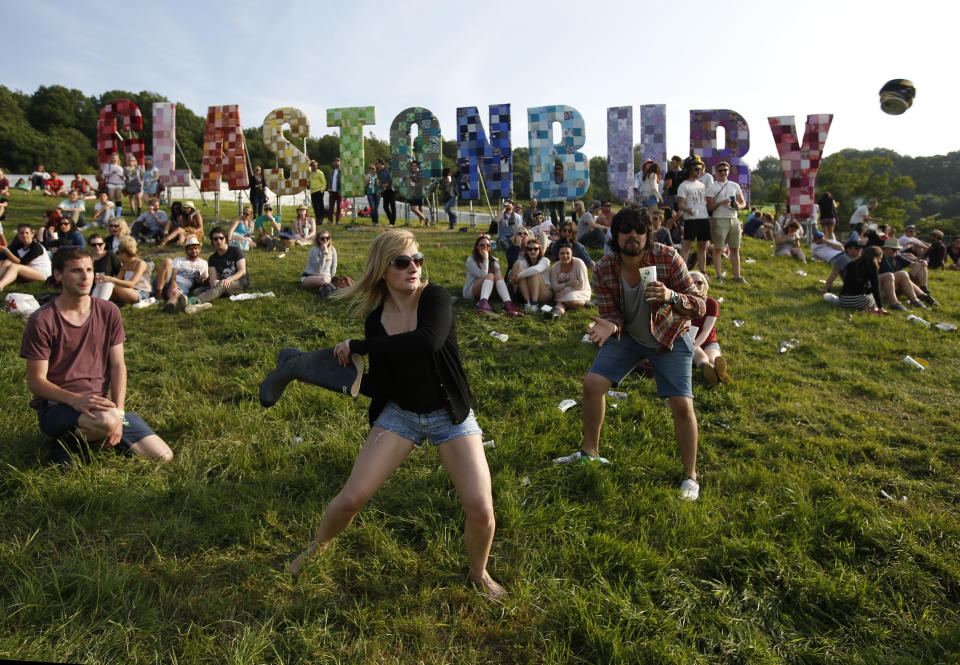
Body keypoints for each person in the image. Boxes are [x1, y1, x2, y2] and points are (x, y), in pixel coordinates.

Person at [280, 230, 505, 598]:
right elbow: (383, 386)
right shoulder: (376, 321)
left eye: (418, 260)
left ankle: (479, 573)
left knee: (481, 509)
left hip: (450, 414)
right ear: (383, 269)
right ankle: (318, 545)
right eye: (403, 262)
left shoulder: (434, 298)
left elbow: (426, 341)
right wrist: (333, 379)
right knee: (352, 498)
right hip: (400, 414)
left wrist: (360, 347)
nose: (413, 268)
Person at [561, 206, 705, 503]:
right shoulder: (603, 268)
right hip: (629, 336)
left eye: (639, 230)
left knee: (681, 404)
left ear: (647, 234)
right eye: (626, 230)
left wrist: (670, 296)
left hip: (669, 335)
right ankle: (590, 453)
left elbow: (699, 306)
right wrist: (608, 326)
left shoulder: (667, 257)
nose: (633, 236)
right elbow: (612, 314)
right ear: (616, 235)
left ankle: (690, 475)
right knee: (592, 384)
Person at [20, 247, 173, 462]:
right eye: (76, 271)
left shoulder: (109, 311)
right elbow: (36, 382)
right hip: (57, 407)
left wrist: (119, 413)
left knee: (163, 456)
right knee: (108, 423)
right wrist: (76, 401)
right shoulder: (42, 320)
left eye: (89, 270)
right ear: (58, 275)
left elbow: (118, 365)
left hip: (103, 407)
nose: (85, 277)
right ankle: (73, 441)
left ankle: (90, 438)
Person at [706, 161, 747, 283]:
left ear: (728, 171)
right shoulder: (712, 187)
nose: (723, 172)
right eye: (720, 170)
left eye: (725, 170)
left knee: (735, 248)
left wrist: (738, 205)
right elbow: (710, 207)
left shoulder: (735, 185)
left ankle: (737, 276)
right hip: (719, 219)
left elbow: (743, 202)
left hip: (733, 218)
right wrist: (721, 203)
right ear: (716, 172)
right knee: (718, 249)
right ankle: (719, 276)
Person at [464, 234, 523, 317]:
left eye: (488, 245)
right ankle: (483, 304)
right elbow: (482, 275)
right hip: (472, 291)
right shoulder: (471, 260)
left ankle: (508, 303)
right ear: (477, 247)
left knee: (498, 276)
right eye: (482, 245)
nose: (485, 247)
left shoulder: (494, 260)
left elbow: (498, 278)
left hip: (490, 290)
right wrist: (485, 259)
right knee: (490, 275)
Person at [686, 271, 729, 386]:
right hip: (691, 340)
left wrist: (695, 345)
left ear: (705, 285)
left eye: (699, 282)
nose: (696, 285)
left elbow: (707, 330)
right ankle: (711, 372)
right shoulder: (684, 303)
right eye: (692, 282)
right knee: (702, 357)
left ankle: (717, 372)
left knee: (713, 357)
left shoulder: (711, 303)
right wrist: (694, 346)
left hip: (709, 341)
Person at [672, 156, 710, 273]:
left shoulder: (702, 185)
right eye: (696, 169)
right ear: (689, 170)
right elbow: (680, 204)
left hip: (703, 218)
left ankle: (703, 271)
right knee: (687, 246)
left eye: (700, 169)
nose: (699, 171)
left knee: (703, 246)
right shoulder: (684, 185)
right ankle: (682, 272)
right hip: (691, 219)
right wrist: (688, 209)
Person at [192, 226, 248, 305]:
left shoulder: (236, 251)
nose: (218, 241)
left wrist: (229, 279)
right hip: (222, 282)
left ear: (225, 239)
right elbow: (213, 278)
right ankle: (215, 294)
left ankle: (196, 301)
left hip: (239, 282)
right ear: (212, 242)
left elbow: (242, 271)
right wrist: (213, 284)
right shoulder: (212, 258)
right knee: (197, 291)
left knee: (222, 285)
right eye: (215, 239)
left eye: (221, 238)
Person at [154, 236, 209, 312]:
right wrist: (173, 283)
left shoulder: (203, 263)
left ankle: (169, 305)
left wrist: (200, 280)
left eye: (196, 248)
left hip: (183, 287)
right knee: (167, 261)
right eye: (190, 249)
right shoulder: (179, 260)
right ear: (186, 250)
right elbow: (173, 273)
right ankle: (159, 294)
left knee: (177, 292)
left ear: (199, 249)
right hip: (167, 281)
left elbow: (205, 278)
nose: (194, 251)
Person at [878, 237, 935, 309]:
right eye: (893, 249)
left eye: (897, 249)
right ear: (885, 248)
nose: (895, 251)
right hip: (883, 287)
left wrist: (922, 262)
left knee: (920, 266)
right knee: (902, 274)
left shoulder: (896, 256)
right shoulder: (878, 258)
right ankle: (920, 298)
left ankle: (922, 293)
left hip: (897, 284)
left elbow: (912, 264)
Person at [97, 236, 152, 304]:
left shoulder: (140, 264)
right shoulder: (125, 265)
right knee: (105, 283)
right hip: (128, 291)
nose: (118, 255)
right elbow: (117, 280)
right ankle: (96, 302)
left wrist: (110, 279)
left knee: (110, 283)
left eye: (118, 253)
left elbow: (131, 284)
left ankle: (99, 304)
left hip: (141, 292)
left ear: (124, 253)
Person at [0, 224, 53, 290]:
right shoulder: (19, 246)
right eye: (21, 233)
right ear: (18, 235)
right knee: (6, 262)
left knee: (14, 266)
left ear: (32, 234)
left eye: (27, 233)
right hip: (27, 269)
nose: (24, 235)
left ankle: (1, 286)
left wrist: (6, 250)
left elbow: (22, 263)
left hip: (41, 272)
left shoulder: (36, 247)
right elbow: (6, 258)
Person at [547, 240, 591, 319]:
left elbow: (581, 285)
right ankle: (555, 314)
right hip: (562, 292)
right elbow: (554, 287)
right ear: (558, 255)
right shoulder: (555, 267)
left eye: (568, 253)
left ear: (572, 253)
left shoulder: (579, 263)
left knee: (567, 300)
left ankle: (587, 303)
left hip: (582, 291)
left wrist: (565, 290)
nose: (565, 256)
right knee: (562, 300)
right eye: (562, 253)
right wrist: (568, 284)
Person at [838, 246, 887, 312]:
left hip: (843, 299)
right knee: (871, 297)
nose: (880, 261)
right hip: (858, 300)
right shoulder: (872, 266)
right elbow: (875, 288)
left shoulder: (853, 263)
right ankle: (873, 310)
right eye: (880, 259)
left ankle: (863, 309)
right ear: (875, 257)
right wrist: (880, 307)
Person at [509, 238, 551, 311]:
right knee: (522, 271)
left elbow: (536, 269)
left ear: (539, 250)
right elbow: (518, 277)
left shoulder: (545, 260)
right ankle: (527, 303)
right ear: (526, 251)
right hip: (529, 292)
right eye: (530, 249)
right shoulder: (524, 262)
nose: (533, 251)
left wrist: (520, 275)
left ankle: (535, 304)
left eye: (535, 249)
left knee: (533, 274)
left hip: (544, 293)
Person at [301, 230, 337, 296]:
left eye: (327, 238)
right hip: (311, 276)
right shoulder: (314, 250)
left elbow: (334, 267)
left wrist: (330, 277)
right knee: (323, 280)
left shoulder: (333, 249)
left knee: (324, 284)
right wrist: (323, 254)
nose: (325, 240)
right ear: (318, 240)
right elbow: (318, 270)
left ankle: (327, 293)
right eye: (322, 239)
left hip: (326, 278)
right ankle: (336, 290)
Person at [88, 234, 123, 301]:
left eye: (100, 244)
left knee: (108, 284)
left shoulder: (110, 255)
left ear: (104, 244)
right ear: (90, 246)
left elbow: (120, 271)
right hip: (91, 286)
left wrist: (111, 279)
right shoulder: (87, 257)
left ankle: (101, 305)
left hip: (108, 284)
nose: (97, 247)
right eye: (93, 245)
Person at [376, 158, 396, 226]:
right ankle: (391, 220)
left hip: (391, 189)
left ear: (381, 163)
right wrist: (379, 184)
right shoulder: (379, 171)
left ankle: (392, 222)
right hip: (384, 190)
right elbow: (379, 179)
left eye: (377, 163)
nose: (376, 165)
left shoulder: (388, 168)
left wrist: (388, 184)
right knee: (385, 207)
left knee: (392, 206)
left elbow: (392, 177)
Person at [407, 160, 427, 226]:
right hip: (411, 193)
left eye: (415, 166)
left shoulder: (420, 172)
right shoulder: (409, 173)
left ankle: (421, 223)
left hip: (420, 192)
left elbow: (422, 182)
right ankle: (425, 219)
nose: (414, 167)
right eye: (413, 166)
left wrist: (415, 178)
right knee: (413, 208)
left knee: (420, 208)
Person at [328, 157, 343, 224]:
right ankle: (330, 220)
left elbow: (344, 182)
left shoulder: (342, 171)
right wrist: (329, 188)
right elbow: (329, 181)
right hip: (332, 191)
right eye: (335, 161)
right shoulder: (331, 171)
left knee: (339, 207)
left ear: (340, 163)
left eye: (338, 161)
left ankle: (338, 220)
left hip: (339, 191)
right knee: (331, 206)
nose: (337, 162)